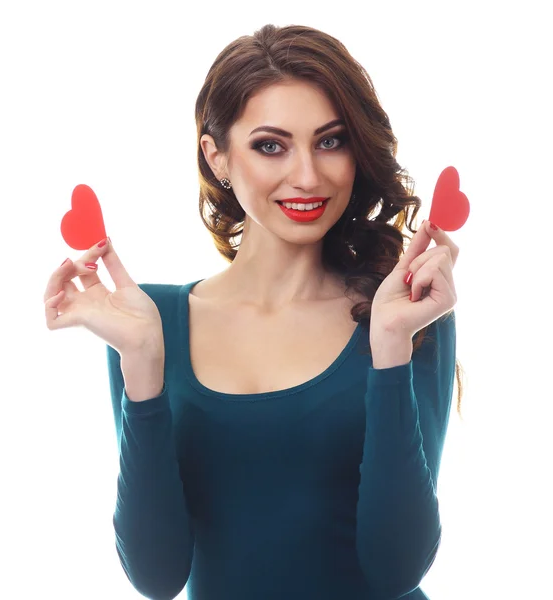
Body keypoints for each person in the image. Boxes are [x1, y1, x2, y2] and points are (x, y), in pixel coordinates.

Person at [44, 23, 462, 600]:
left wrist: (389, 352)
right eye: (271, 145)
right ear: (216, 157)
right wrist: (140, 361)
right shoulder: (149, 323)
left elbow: (396, 568)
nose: (308, 176)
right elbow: (158, 576)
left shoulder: (400, 311)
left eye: (331, 141)